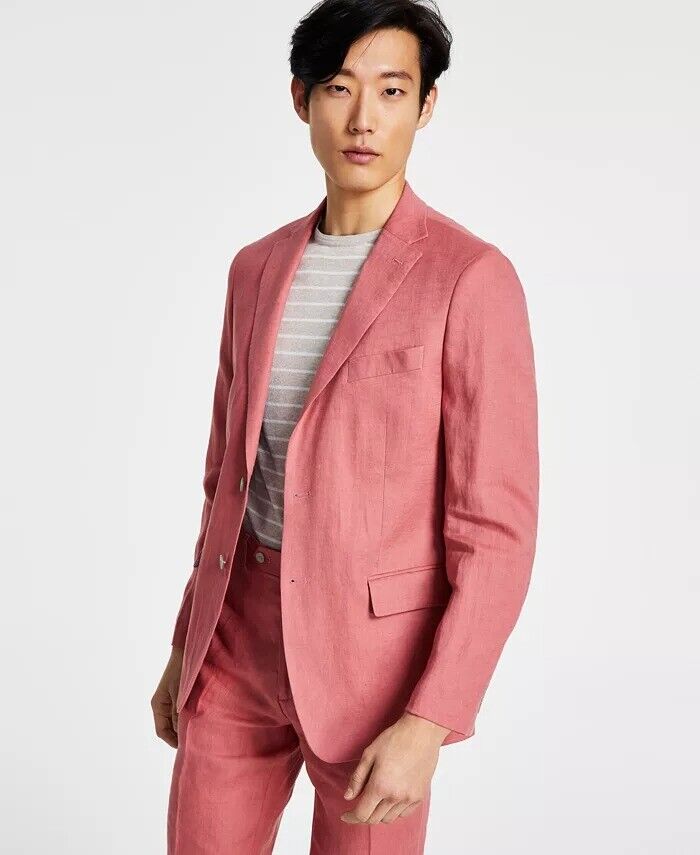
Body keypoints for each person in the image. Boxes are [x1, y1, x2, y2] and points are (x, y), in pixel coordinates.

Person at [152, 1, 540, 851]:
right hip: (236, 641)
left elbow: (496, 533)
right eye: (338, 87)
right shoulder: (255, 269)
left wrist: (430, 719)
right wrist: (188, 641)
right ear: (301, 99)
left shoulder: (470, 278)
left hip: (376, 672)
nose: (364, 118)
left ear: (425, 106)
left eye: (392, 90)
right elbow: (226, 478)